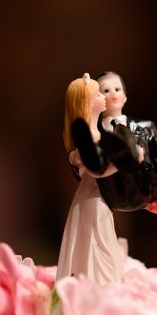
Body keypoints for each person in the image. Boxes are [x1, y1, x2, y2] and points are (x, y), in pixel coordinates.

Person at [55, 73, 124, 286]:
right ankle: (98, 287)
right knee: (99, 242)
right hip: (93, 200)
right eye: (98, 94)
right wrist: (126, 160)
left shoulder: (98, 133)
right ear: (88, 102)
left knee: (98, 242)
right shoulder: (88, 139)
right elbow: (97, 170)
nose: (104, 96)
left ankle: (96, 285)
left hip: (98, 197)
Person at [96, 71, 157, 224]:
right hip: (108, 199)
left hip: (144, 195)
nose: (113, 93)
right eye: (106, 90)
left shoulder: (146, 128)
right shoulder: (95, 133)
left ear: (125, 96)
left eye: (117, 89)